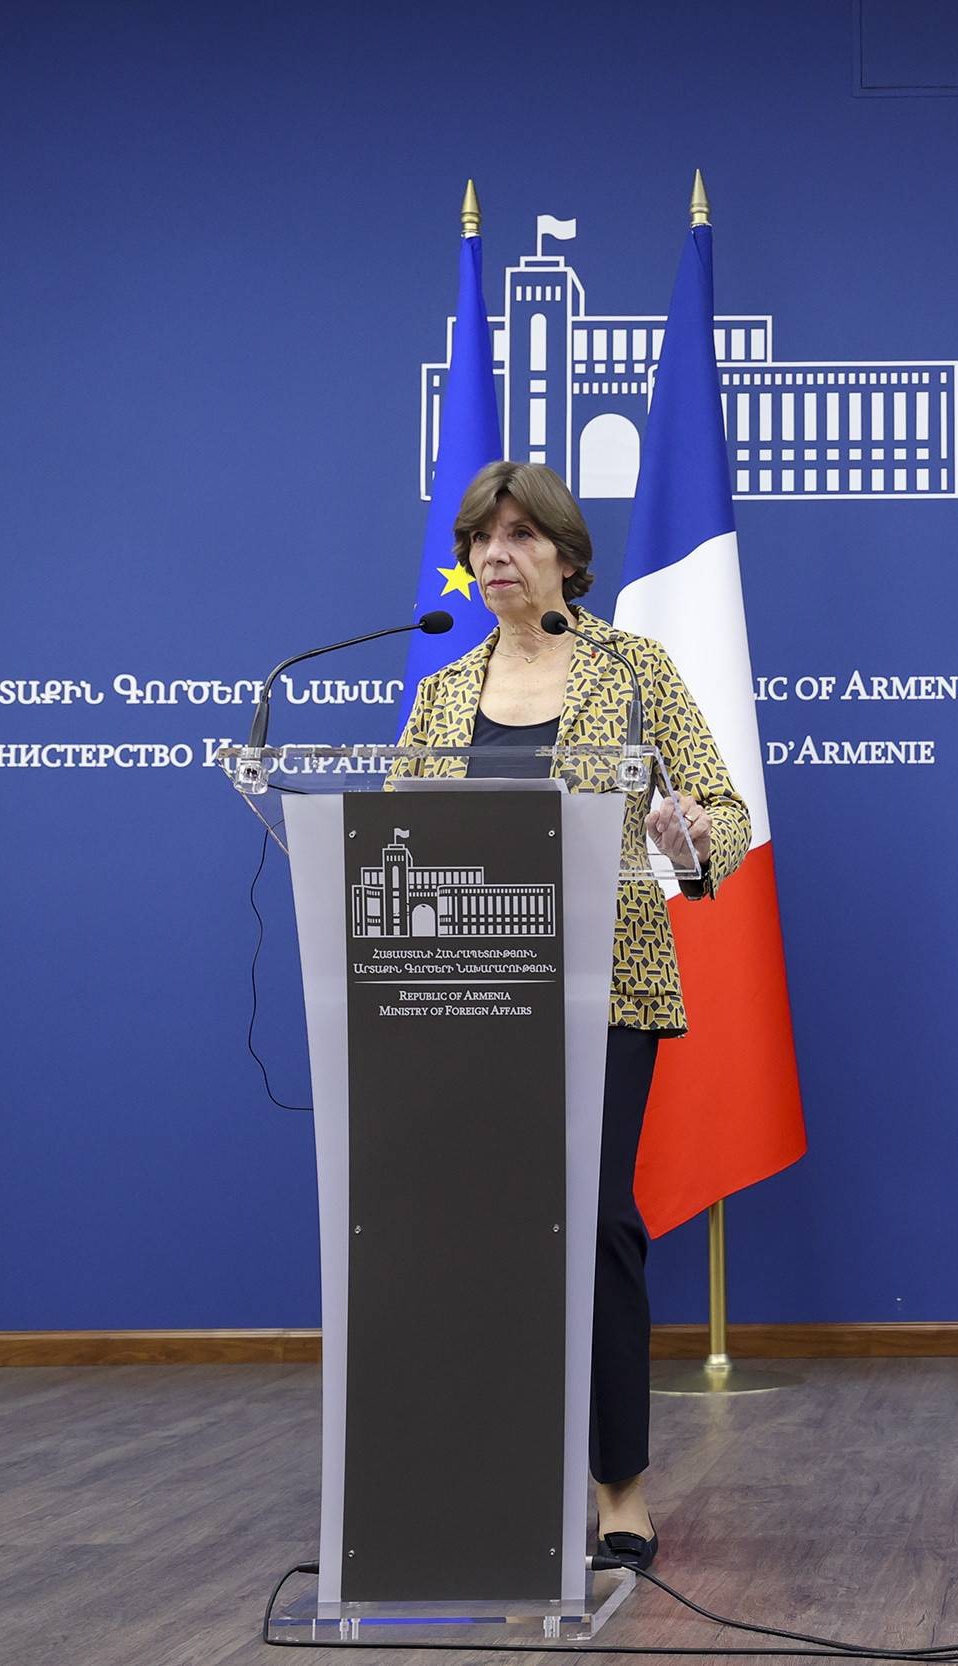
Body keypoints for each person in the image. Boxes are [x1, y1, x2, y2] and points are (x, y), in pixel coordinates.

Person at [396, 460, 750, 1570]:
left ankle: (620, 1490)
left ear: (563, 552)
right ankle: (484, 1465)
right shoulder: (444, 689)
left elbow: (724, 815)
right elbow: (392, 832)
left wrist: (692, 837)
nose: (496, 554)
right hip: (466, 987)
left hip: (607, 983)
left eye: (518, 535)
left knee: (596, 1226)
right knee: (475, 1230)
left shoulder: (631, 668)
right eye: (480, 539)